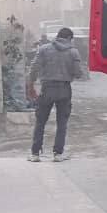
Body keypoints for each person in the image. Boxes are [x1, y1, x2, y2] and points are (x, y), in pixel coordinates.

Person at [27, 27, 84, 162]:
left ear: (58, 36)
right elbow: (78, 73)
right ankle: (58, 154)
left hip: (47, 88)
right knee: (62, 123)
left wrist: (31, 86)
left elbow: (34, 68)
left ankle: (35, 154)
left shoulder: (44, 49)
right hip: (64, 89)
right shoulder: (73, 52)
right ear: (69, 38)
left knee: (40, 121)